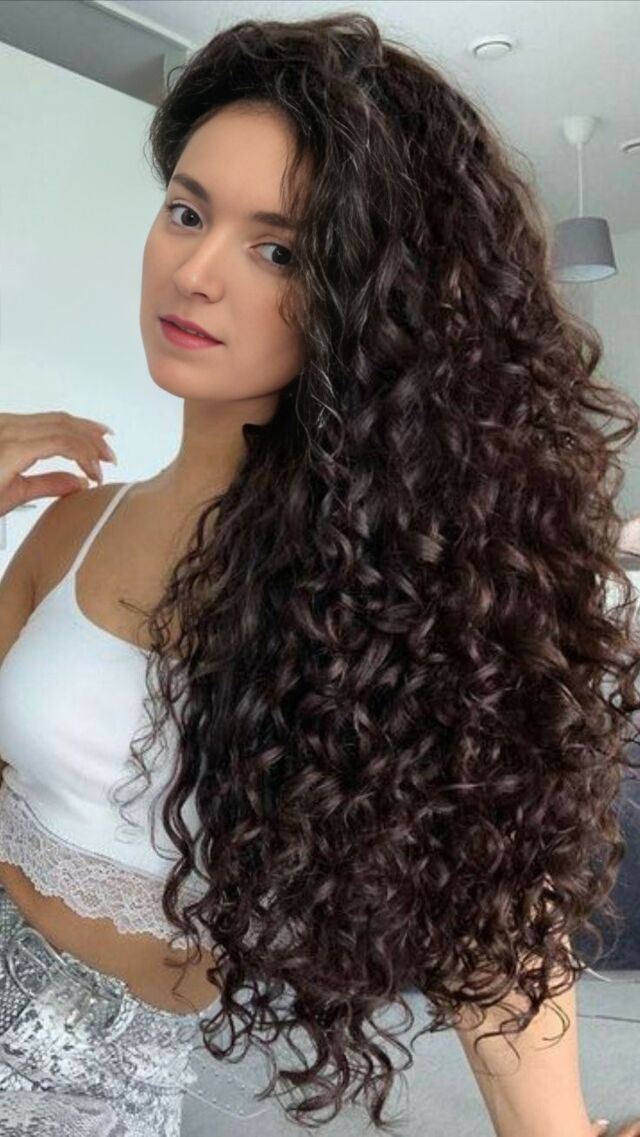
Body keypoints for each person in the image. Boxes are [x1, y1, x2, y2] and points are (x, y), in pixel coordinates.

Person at [0, 11, 639, 1137]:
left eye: (279, 249)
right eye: (186, 211)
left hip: (88, 1096)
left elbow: (495, 919)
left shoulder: (405, 601)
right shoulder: (77, 522)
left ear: (374, 296)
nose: (196, 271)